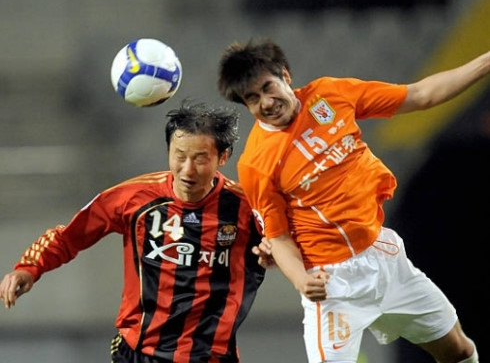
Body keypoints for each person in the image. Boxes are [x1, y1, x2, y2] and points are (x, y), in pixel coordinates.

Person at [217, 38, 489, 363]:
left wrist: (485, 62)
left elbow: (420, 95)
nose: (267, 102)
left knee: (457, 349)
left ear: (285, 75)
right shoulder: (256, 163)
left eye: (268, 87)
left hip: (384, 257)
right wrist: (303, 280)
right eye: (253, 98)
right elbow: (277, 238)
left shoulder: (331, 94)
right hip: (334, 284)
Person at [0, 100, 266, 363]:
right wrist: (29, 267)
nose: (187, 169)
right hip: (138, 353)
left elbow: (288, 242)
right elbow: (69, 235)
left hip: (211, 356)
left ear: (223, 157)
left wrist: (277, 257)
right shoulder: (134, 197)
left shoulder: (247, 206)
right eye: (180, 156)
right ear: (168, 151)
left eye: (200, 159)